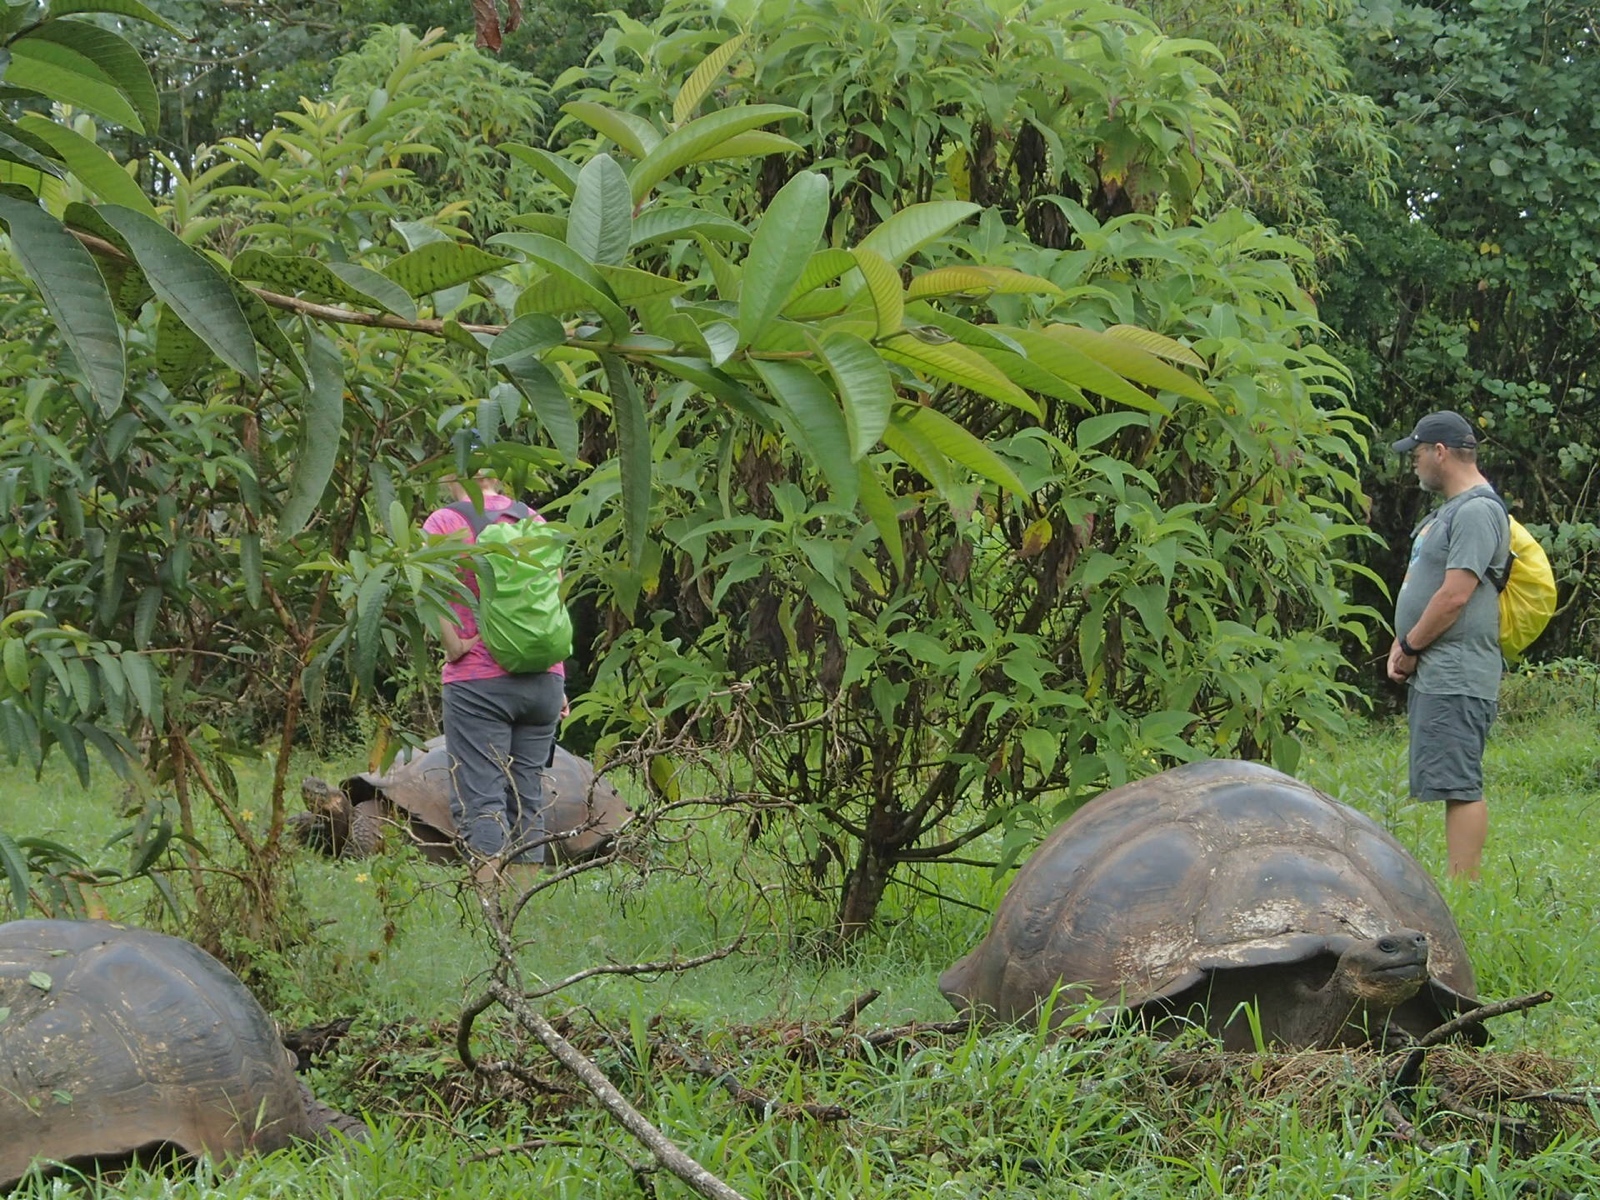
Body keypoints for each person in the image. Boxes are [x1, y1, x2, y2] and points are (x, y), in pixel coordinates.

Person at [422, 473, 566, 888]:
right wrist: (559, 677)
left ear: (452, 474)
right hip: (544, 678)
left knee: (482, 797)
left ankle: (492, 911)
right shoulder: (532, 519)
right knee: (528, 798)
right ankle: (526, 906)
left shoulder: (445, 521)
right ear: (500, 473)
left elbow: (427, 589)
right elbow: (552, 600)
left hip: (479, 680)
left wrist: (454, 646)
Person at [1387, 411, 1510, 880]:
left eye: (1417, 453)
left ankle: (1465, 890)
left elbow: (1455, 593)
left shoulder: (1478, 511)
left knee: (1460, 784)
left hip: (1457, 671)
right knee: (1451, 780)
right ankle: (1461, 884)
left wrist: (1412, 644)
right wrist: (1403, 643)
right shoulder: (1451, 511)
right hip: (1437, 669)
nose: (1414, 463)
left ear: (1440, 452)